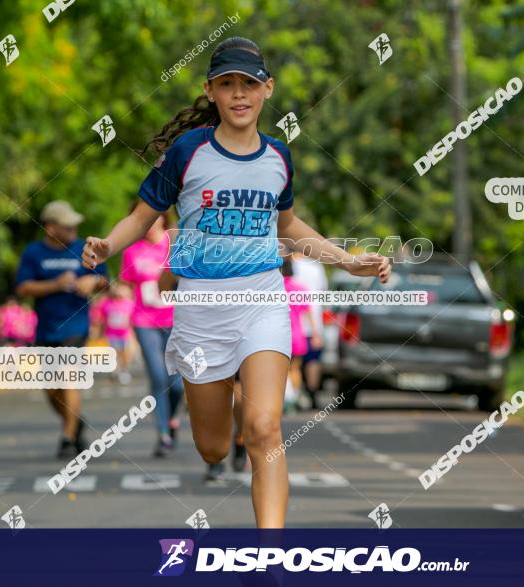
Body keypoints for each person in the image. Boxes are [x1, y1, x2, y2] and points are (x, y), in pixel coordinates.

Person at [81, 37, 390, 528]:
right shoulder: (188, 152)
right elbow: (143, 217)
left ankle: (269, 558)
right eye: (227, 84)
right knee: (213, 447)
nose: (239, 94)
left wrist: (345, 260)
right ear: (211, 91)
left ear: (267, 89)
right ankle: (213, 432)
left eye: (249, 84)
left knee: (265, 428)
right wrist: (107, 246)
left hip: (261, 302)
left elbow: (288, 227)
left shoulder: (278, 158)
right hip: (200, 310)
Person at [15, 200, 108, 459]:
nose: (73, 230)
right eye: (67, 226)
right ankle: (76, 422)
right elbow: (22, 288)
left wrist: (92, 280)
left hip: (76, 326)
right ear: (50, 228)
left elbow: (105, 280)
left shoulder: (84, 250)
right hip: (46, 330)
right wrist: (55, 284)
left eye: (75, 226)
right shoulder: (34, 253)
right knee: (51, 389)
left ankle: (67, 437)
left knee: (68, 377)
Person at [120, 212, 185, 458]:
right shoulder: (132, 251)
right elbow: (126, 285)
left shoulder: (174, 244)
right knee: (158, 377)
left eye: (154, 217)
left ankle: (172, 419)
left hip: (175, 321)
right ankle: (163, 435)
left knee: (177, 384)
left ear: (162, 219)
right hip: (144, 322)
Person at [292, 251, 327, 408]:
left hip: (293, 322)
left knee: (293, 364)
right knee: (313, 360)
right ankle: (312, 393)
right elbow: (323, 290)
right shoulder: (316, 267)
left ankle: (295, 395)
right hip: (314, 320)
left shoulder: (288, 266)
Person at [91, 282, 135, 385]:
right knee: (114, 353)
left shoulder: (129, 304)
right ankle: (115, 371)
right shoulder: (107, 303)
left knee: (125, 353)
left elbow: (133, 319)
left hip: (125, 334)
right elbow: (98, 315)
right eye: (117, 289)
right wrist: (96, 327)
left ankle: (124, 370)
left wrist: (134, 333)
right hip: (111, 334)